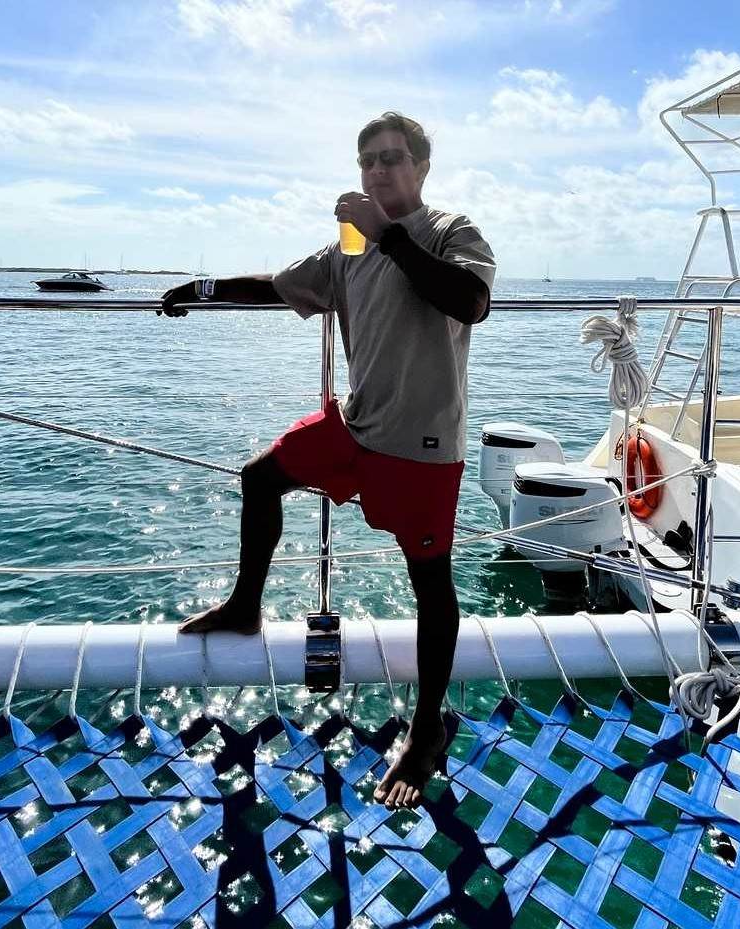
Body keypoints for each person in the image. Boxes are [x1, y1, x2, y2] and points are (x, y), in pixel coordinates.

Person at [159, 111, 496, 809]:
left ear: (422, 168)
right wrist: (202, 290)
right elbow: (282, 282)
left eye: (393, 158)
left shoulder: (449, 230)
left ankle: (426, 728)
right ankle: (245, 606)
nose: (378, 169)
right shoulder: (349, 247)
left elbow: (471, 300)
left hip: (422, 446)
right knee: (261, 477)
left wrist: (388, 237)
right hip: (356, 427)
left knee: (428, 579)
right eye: (367, 158)